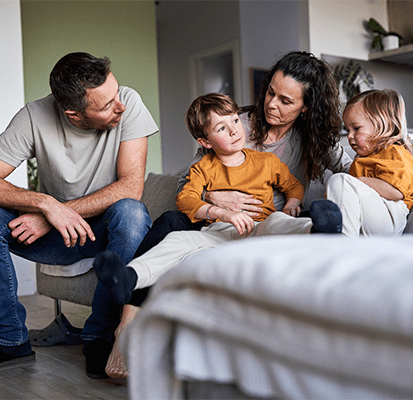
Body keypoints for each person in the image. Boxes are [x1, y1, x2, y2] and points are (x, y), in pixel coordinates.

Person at [104, 50, 353, 379]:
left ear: (305, 106)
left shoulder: (315, 139)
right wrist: (215, 198)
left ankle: (319, 230)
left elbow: (355, 164)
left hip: (267, 224)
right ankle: (126, 322)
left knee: (297, 219)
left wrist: (395, 142)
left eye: (285, 101)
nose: (272, 104)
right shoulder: (237, 122)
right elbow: (188, 181)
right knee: (171, 225)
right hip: (217, 222)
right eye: (270, 92)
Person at [0, 52, 158, 379]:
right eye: (105, 105)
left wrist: (55, 212)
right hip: (56, 239)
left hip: (105, 232)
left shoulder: (127, 103)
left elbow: (131, 187)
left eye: (115, 94)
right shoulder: (33, 117)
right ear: (73, 114)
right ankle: (11, 341)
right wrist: (45, 204)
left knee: (131, 213)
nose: (120, 106)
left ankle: (98, 335)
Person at [93, 92, 341, 309]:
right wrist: (222, 213)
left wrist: (292, 202)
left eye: (235, 120)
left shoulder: (266, 162)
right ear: (205, 142)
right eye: (222, 128)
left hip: (258, 228)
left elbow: (293, 185)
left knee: (278, 220)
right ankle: (129, 278)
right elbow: (186, 200)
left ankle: (319, 229)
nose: (235, 130)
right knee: (178, 239)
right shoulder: (203, 168)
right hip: (218, 232)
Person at [326, 89, 413, 237]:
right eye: (347, 129)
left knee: (341, 181)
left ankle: (343, 244)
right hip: (368, 219)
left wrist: (355, 182)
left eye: (356, 128)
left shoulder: (395, 153)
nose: (349, 136)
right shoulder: (361, 160)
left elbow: (395, 192)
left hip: (389, 216)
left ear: (382, 124)